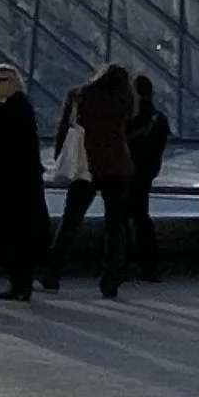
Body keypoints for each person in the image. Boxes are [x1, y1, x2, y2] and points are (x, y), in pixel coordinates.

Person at [54, 63, 134, 297]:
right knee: (116, 227)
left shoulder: (79, 95)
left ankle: (53, 272)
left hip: (85, 166)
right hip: (118, 167)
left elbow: (64, 128)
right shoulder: (124, 99)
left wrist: (60, 157)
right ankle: (111, 279)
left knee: (71, 221)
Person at [0, 63, 52, 303]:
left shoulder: (12, 109)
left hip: (11, 186)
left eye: (0, 81)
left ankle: (19, 284)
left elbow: (2, 146)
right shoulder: (18, 107)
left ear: (13, 82)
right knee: (20, 237)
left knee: (14, 236)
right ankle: (21, 283)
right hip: (19, 184)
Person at [127, 73, 170, 282]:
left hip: (127, 171)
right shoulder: (159, 118)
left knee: (122, 219)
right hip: (146, 173)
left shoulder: (130, 117)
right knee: (142, 218)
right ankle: (150, 265)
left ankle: (122, 264)